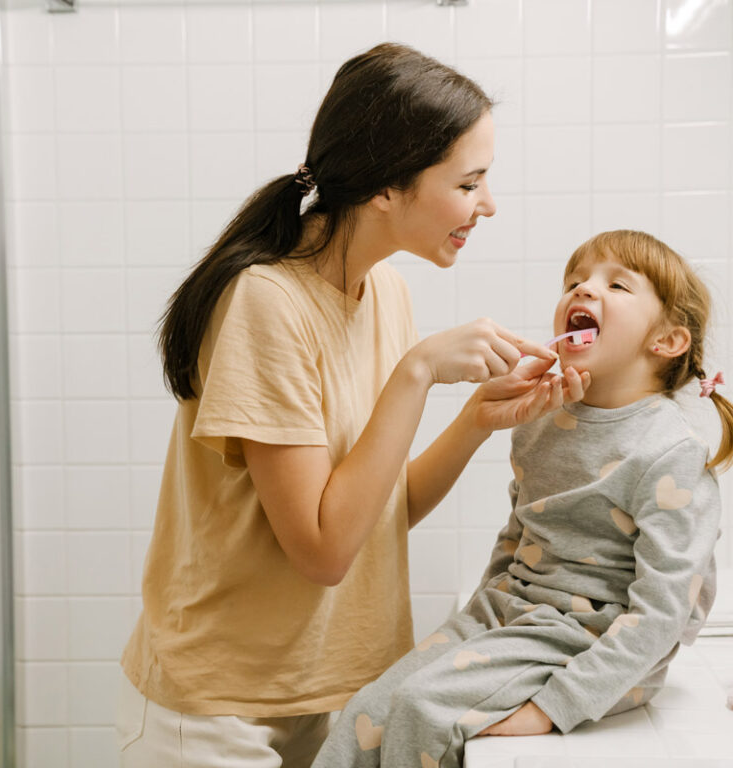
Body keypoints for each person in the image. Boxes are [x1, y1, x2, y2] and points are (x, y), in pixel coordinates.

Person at [115, 43, 590, 767]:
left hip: (321, 691)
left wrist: (474, 422)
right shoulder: (265, 302)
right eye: (470, 183)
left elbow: (372, 515)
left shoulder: (384, 290)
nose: (487, 204)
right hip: (216, 713)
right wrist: (420, 370)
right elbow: (325, 551)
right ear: (385, 189)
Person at [311, 229, 731, 768]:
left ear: (668, 341)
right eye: (574, 281)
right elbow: (517, 540)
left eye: (617, 285)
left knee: (420, 708)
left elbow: (663, 614)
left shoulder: (670, 452)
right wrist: (473, 623)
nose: (582, 291)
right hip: (509, 615)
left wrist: (557, 706)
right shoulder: (540, 424)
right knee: (365, 709)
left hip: (588, 641)